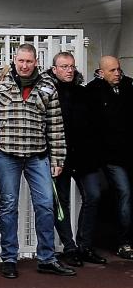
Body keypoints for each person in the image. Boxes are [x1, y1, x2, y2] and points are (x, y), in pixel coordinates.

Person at [0, 44, 74, 279]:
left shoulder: (48, 85)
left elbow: (56, 125)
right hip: (6, 154)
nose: (25, 65)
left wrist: (58, 158)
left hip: (38, 155)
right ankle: (9, 258)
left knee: (46, 205)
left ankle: (47, 258)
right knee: (9, 206)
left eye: (29, 61)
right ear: (14, 60)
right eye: (21, 61)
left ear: (36, 62)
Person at [47, 52, 104, 266]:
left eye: (71, 66)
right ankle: (69, 248)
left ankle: (85, 246)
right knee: (61, 204)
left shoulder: (84, 93)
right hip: (59, 157)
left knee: (94, 196)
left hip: (85, 156)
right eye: (64, 66)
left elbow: (95, 123)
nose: (69, 70)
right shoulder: (48, 92)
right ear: (54, 69)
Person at [86, 55, 133, 260]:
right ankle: (124, 242)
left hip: (127, 154)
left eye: (118, 70)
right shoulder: (92, 91)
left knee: (124, 195)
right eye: (112, 70)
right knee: (124, 193)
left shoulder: (129, 86)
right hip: (108, 156)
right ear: (101, 72)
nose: (117, 74)